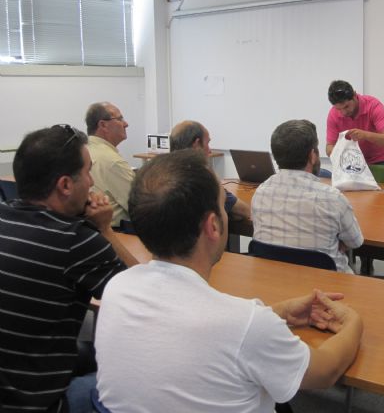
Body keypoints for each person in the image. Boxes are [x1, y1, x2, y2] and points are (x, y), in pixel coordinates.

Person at [95, 149, 363, 412]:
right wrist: (353, 322)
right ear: (212, 226)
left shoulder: (117, 289)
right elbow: (324, 371)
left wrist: (276, 313)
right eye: (224, 203)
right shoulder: (245, 324)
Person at [0, 125, 136, 413]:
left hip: (15, 368)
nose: (91, 183)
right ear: (65, 185)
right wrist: (104, 230)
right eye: (88, 172)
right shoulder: (76, 242)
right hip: (33, 402)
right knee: (122, 377)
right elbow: (141, 295)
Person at [252, 120, 363, 273]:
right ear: (312, 156)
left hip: (274, 285)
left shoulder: (260, 193)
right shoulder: (333, 198)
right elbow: (355, 242)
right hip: (329, 290)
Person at [169, 120, 251, 220]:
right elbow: (244, 211)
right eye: (207, 143)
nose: (210, 150)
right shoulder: (203, 180)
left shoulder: (158, 175)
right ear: (197, 144)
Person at [85, 102, 136, 227]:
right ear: (103, 125)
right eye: (120, 119)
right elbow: (140, 206)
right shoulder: (112, 161)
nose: (126, 124)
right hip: (118, 232)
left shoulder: (84, 149)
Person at [326, 80, 384, 165]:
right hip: (352, 163)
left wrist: (365, 135)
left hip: (380, 161)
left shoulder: (373, 106)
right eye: (339, 109)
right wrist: (339, 152)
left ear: (354, 95)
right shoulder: (333, 114)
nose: (343, 113)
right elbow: (329, 147)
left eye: (346, 107)